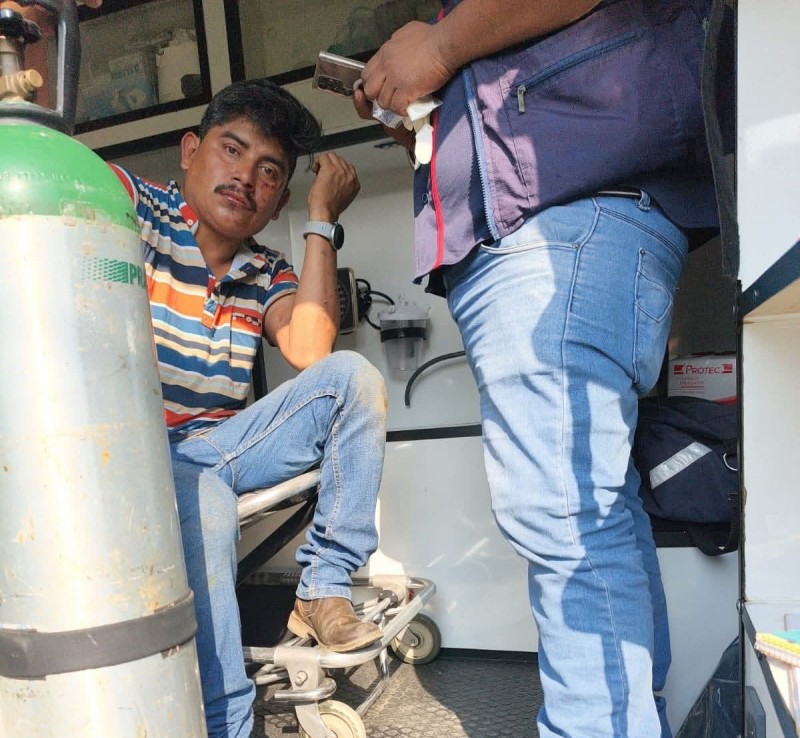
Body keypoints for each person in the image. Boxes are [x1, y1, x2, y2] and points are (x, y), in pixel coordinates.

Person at [354, 1, 718, 737]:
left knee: (565, 514)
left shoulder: (463, 28)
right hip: (573, 223)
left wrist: (439, 46)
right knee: (596, 508)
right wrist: (421, 108)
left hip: (562, 222)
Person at [110, 79, 388, 738]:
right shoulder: (130, 206)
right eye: (231, 150)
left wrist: (321, 215)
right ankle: (225, 726)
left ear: (279, 200)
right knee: (204, 498)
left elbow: (311, 348)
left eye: (269, 172)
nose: (245, 178)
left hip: (218, 449)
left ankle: (322, 589)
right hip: (131, 453)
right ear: (190, 151)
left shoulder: (266, 269)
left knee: (351, 377)